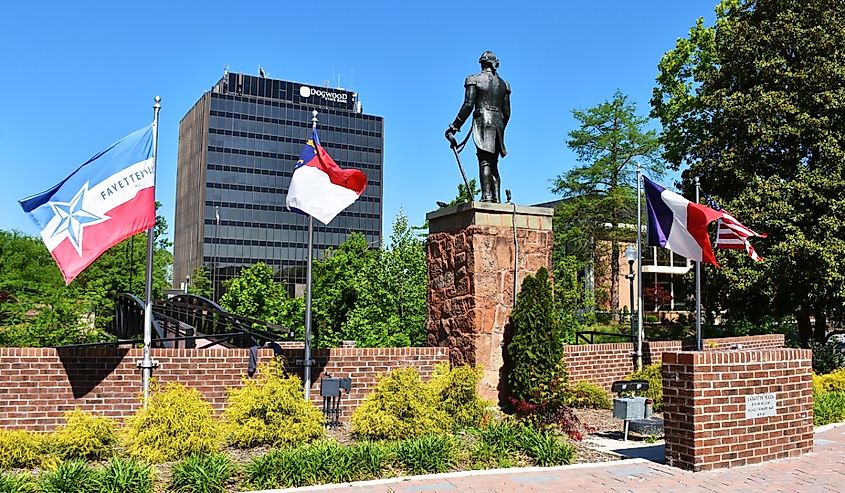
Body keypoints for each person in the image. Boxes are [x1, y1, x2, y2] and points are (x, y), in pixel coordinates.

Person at [445, 51, 511, 203]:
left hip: (483, 121)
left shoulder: (473, 80)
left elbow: (468, 105)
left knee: (484, 161)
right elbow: (507, 112)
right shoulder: (504, 85)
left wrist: (454, 127)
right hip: (498, 123)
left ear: (482, 64)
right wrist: (501, 126)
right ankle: (497, 198)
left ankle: (486, 197)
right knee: (494, 163)